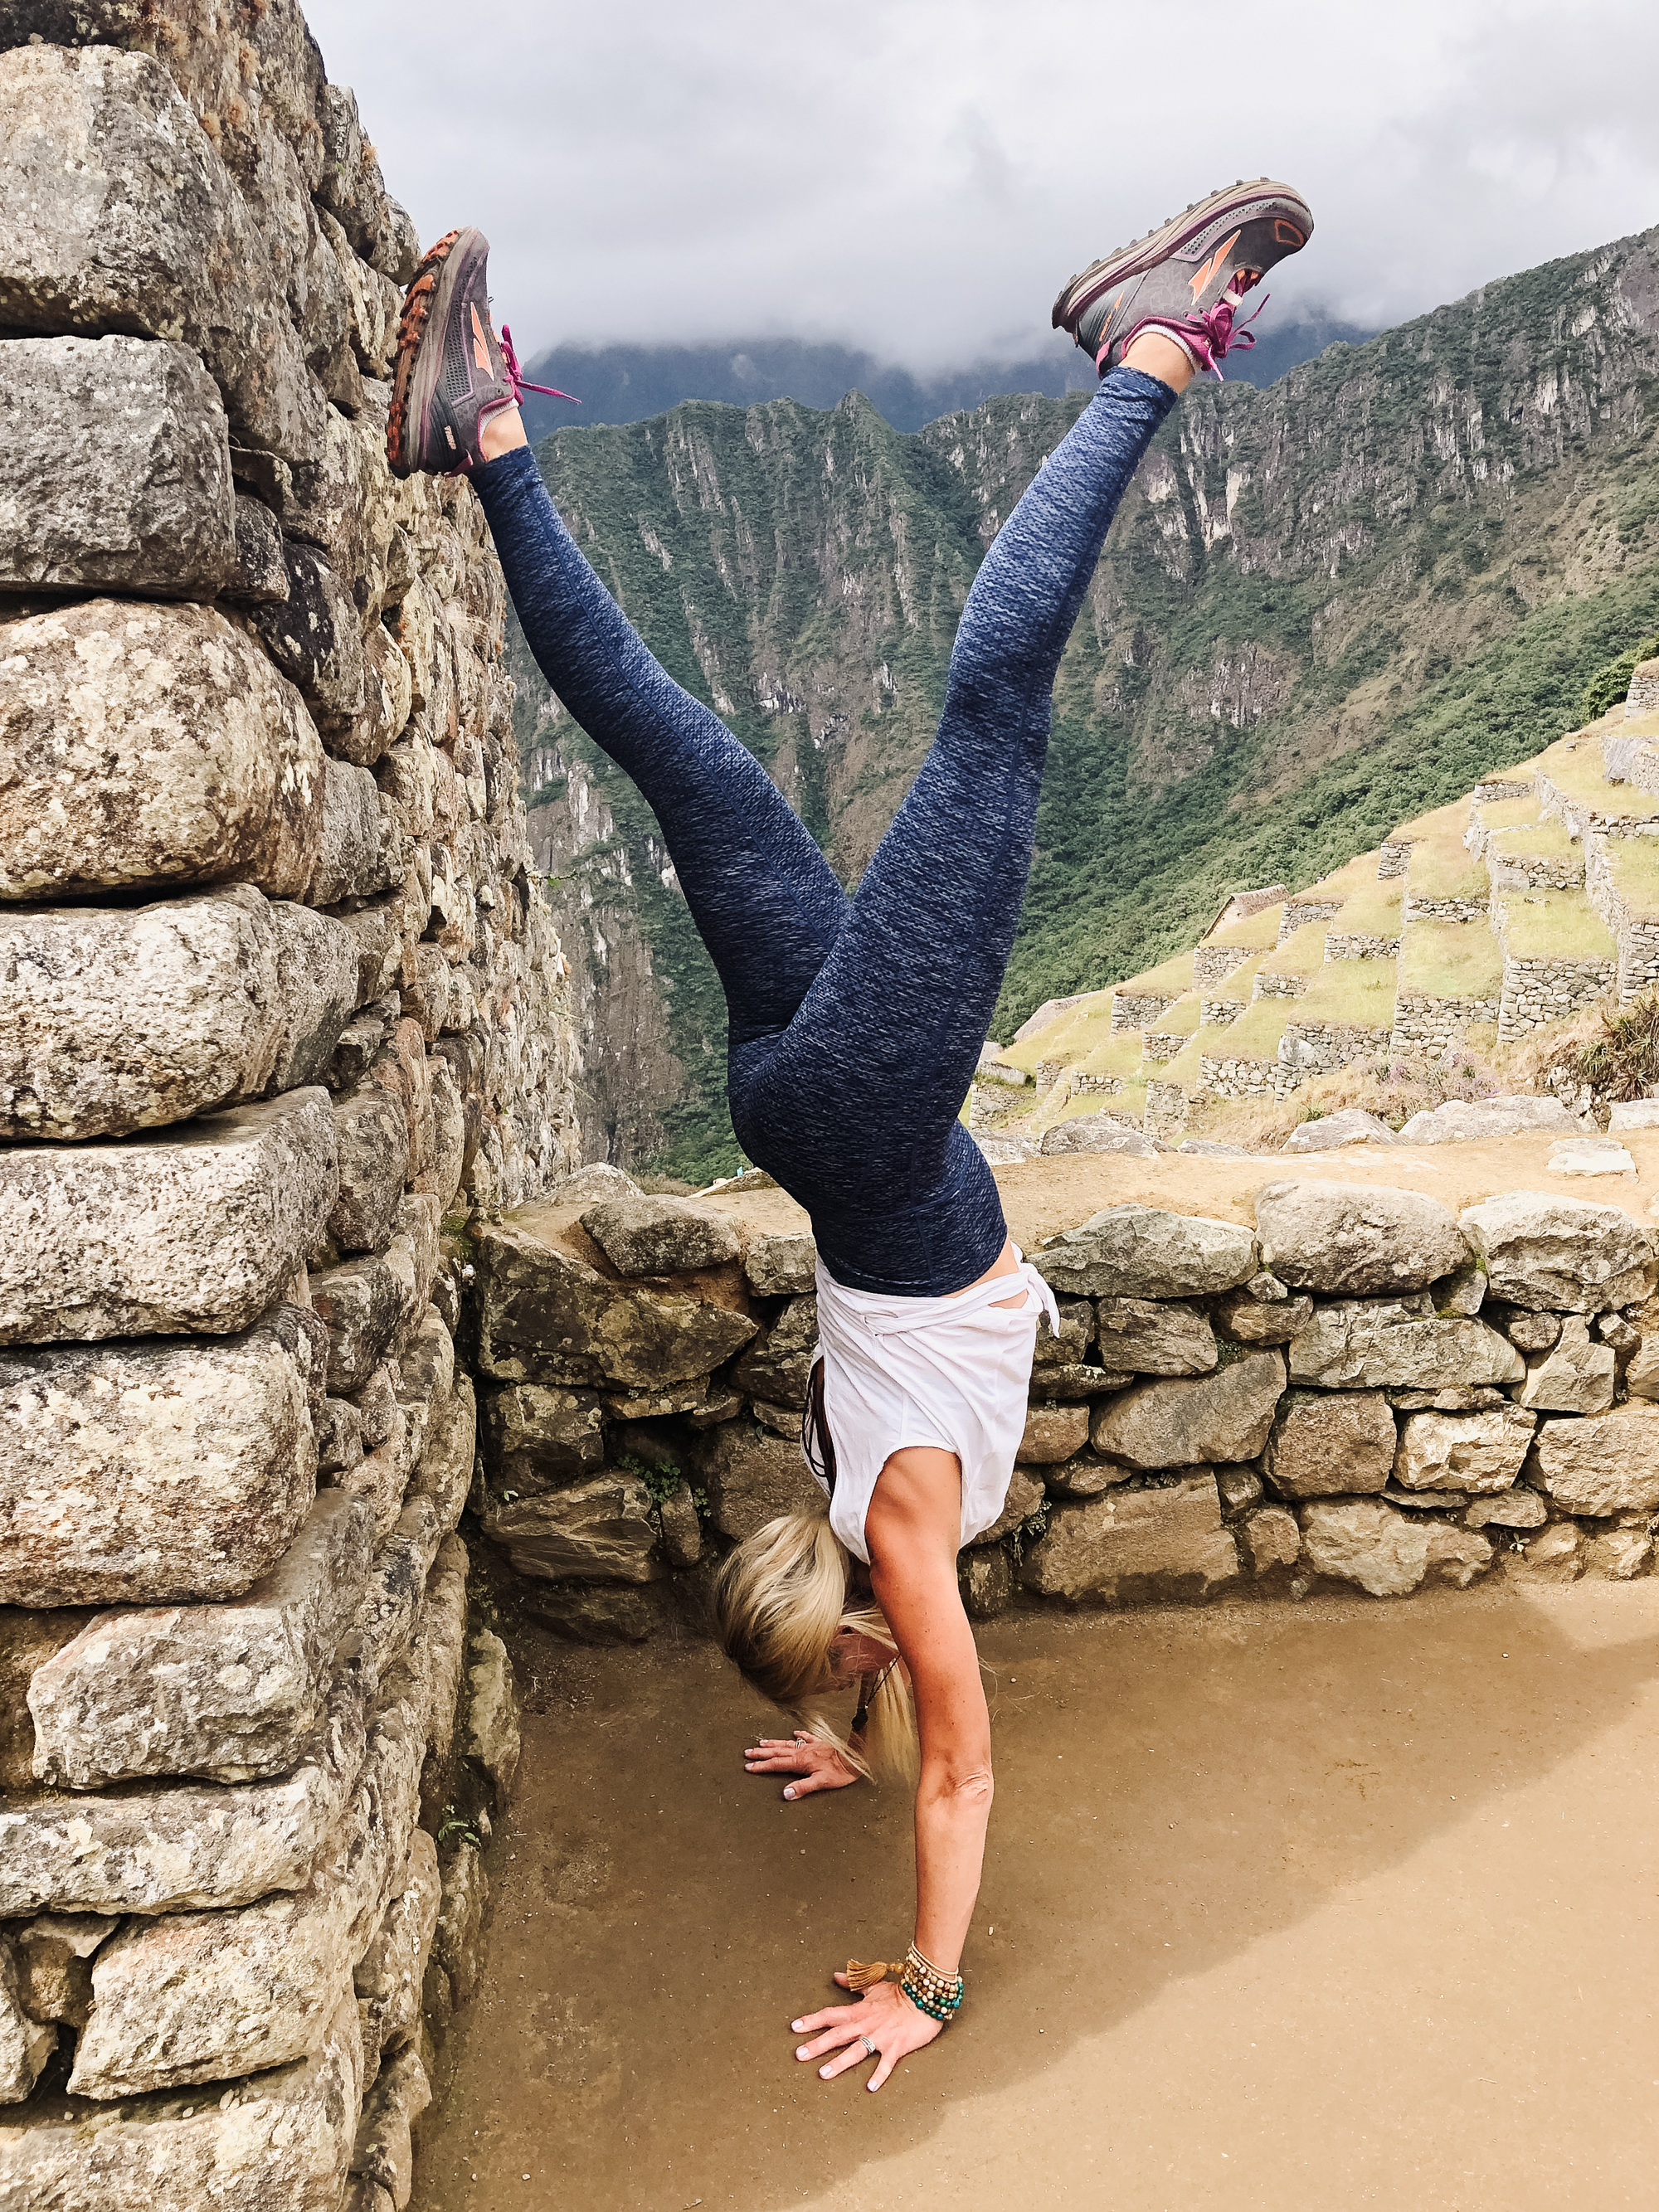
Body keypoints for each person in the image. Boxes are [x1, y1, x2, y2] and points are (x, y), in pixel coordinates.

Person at [387, 179, 1312, 2090]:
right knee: (681, 755)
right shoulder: (826, 1492)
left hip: (878, 1127)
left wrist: (927, 1982)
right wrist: (831, 1702)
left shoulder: (892, 1538)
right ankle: (479, 437)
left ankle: (1149, 343)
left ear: (855, 1636)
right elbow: (891, 1690)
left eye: (851, 1673)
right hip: (797, 1117)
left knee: (992, 715)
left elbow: (964, 1764)